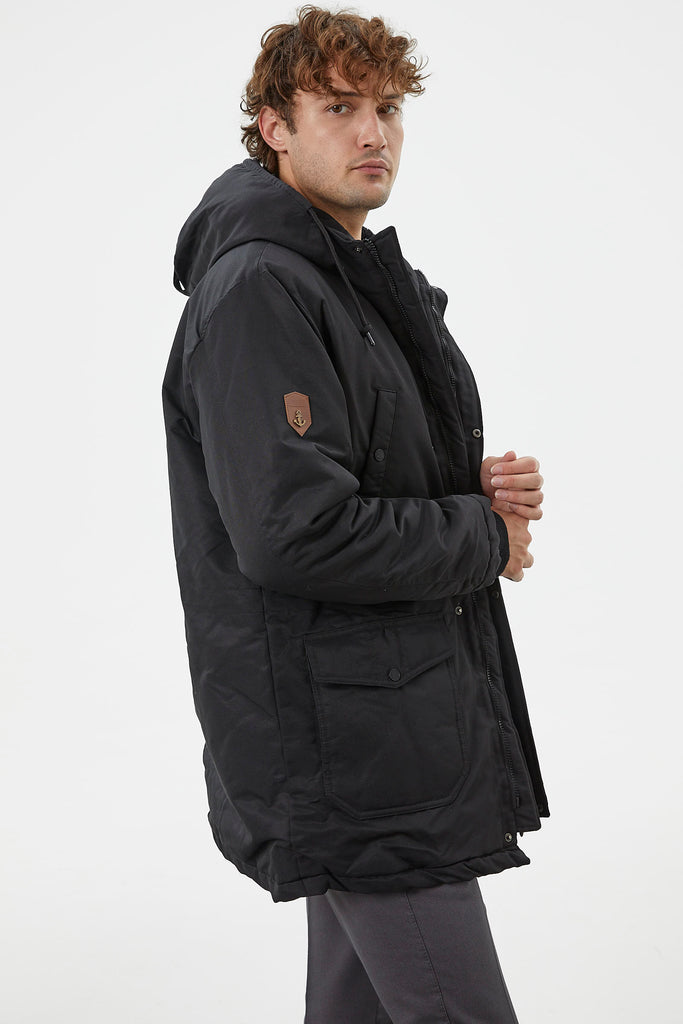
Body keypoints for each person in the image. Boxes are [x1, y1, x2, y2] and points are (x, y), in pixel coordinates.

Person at [163, 6, 549, 1021]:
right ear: (273, 126)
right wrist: (482, 536)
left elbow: (345, 470)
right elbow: (295, 530)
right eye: (338, 107)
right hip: (358, 752)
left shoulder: (342, 279)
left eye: (386, 108)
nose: (372, 132)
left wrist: (465, 485)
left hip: (382, 727)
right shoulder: (259, 286)